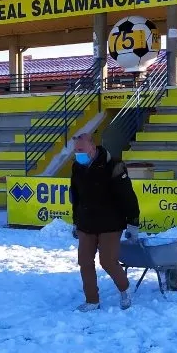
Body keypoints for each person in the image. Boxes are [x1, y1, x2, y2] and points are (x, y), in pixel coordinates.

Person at [70, 132, 141, 311]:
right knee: (84, 261)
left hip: (110, 222)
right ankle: (92, 300)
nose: (77, 154)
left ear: (92, 148)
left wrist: (133, 222)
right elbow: (76, 196)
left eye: (80, 150)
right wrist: (75, 221)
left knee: (108, 261)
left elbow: (128, 196)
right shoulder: (77, 167)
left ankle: (125, 290)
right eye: (75, 150)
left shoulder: (114, 165)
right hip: (86, 222)